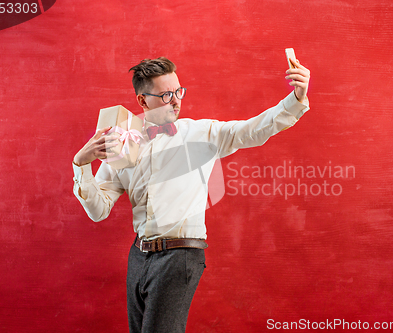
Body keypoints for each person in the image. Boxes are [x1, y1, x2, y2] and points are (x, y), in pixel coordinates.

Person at [72, 56, 310, 333]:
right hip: (138, 256)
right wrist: (82, 164)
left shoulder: (201, 133)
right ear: (142, 101)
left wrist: (295, 97)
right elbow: (98, 211)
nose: (176, 101)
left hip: (180, 253)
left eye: (179, 91)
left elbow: (253, 130)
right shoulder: (122, 143)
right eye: (165, 95)